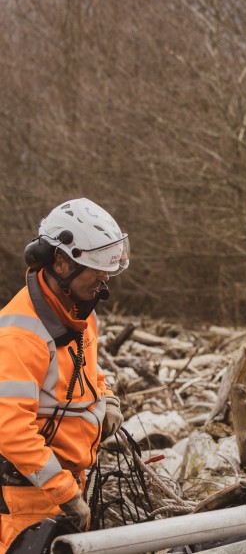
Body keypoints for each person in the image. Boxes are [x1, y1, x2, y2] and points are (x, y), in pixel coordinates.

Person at [0, 198, 128, 547]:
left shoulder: (79, 312)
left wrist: (107, 398)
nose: (104, 279)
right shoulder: (20, 334)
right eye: (96, 270)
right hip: (27, 498)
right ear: (60, 262)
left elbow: (87, 368)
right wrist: (65, 494)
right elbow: (11, 431)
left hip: (70, 482)